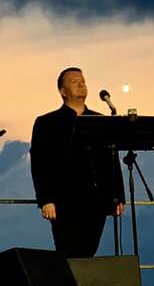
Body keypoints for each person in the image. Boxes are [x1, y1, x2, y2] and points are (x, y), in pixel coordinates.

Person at [30, 67, 125, 257]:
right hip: (64, 201)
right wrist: (46, 199)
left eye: (83, 81)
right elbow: (40, 163)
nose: (81, 84)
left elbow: (112, 160)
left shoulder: (100, 120)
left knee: (88, 254)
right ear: (63, 91)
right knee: (69, 255)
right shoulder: (47, 122)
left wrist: (118, 196)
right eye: (74, 82)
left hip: (96, 201)